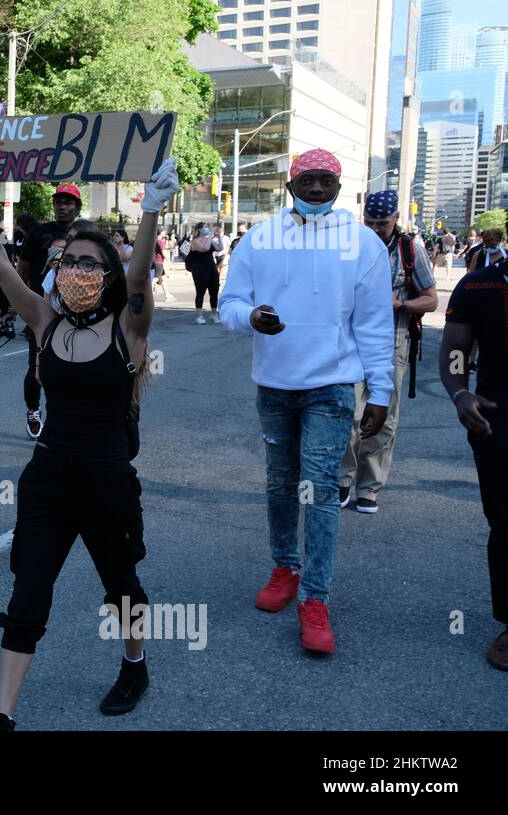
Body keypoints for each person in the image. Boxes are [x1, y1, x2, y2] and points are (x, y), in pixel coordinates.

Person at [0, 158, 181, 728]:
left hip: (108, 483)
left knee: (122, 586)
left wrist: (151, 208)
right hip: (47, 482)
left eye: (90, 263)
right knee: (28, 593)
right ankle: (3, 717)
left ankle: (135, 664)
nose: (76, 270)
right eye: (69, 260)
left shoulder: (129, 328)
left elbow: (140, 278)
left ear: (109, 275)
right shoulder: (44, 320)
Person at [218, 149, 394, 654]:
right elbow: (230, 303)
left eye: (326, 181)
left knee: (318, 488)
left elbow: (375, 324)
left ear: (339, 186)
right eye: (307, 180)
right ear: (290, 184)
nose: (317, 189)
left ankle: (315, 598)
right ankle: (285, 568)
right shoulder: (260, 238)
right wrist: (251, 317)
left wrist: (380, 390)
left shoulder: (363, 243)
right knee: (279, 483)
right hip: (275, 385)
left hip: (333, 385)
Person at [338, 190, 438, 513]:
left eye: (382, 223)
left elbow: (431, 299)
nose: (375, 229)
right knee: (347, 413)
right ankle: (342, 479)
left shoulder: (411, 250)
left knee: (384, 417)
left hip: (393, 342)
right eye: (369, 222)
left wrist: (400, 304)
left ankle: (369, 487)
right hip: (352, 343)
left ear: (395, 219)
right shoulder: (351, 246)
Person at [439, 250, 508, 671]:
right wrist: (460, 392)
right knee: (506, 522)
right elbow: (455, 350)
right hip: (497, 421)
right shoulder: (480, 285)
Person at [16, 183, 82, 439]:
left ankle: (64, 414)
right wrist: (14, 303)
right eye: (59, 202)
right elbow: (22, 269)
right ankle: (33, 410)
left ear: (77, 207)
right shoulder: (38, 234)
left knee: (75, 366)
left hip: (78, 311)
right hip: (42, 310)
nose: (63, 207)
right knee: (37, 365)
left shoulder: (86, 234)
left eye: (68, 202)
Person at [185, 224, 222, 325]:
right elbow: (204, 248)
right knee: (200, 292)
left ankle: (214, 314)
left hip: (211, 267)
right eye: (204, 227)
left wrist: (218, 236)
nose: (207, 229)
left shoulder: (209, 239)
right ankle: (200, 316)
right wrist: (210, 236)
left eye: (207, 227)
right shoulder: (195, 241)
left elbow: (219, 248)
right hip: (199, 269)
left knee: (214, 291)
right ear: (199, 230)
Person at [151, 227, 175, 302]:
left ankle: (167, 295)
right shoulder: (160, 241)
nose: (165, 233)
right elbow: (164, 253)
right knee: (156, 279)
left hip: (157, 261)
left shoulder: (155, 240)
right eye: (164, 231)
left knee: (162, 279)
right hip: (159, 262)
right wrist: (169, 262)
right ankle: (147, 293)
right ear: (161, 232)